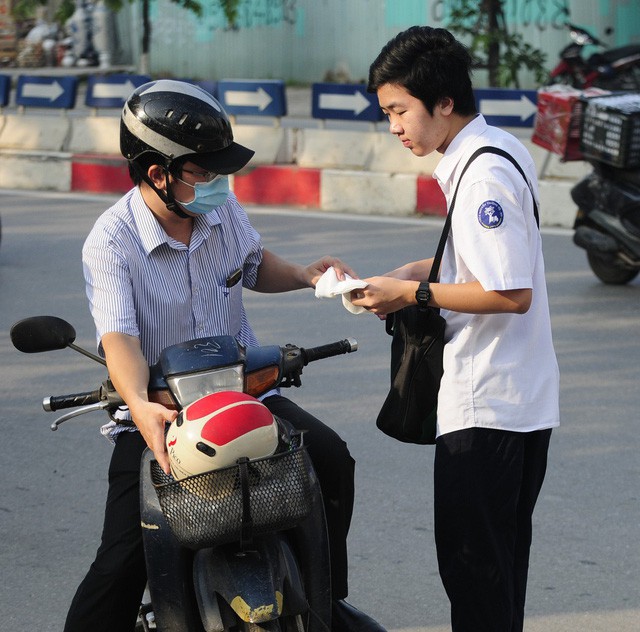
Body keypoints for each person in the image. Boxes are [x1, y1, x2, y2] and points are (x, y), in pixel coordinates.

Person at [64, 79, 384, 632]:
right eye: (204, 170)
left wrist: (306, 275)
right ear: (158, 173)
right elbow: (119, 339)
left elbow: (255, 264)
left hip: (244, 397)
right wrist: (140, 406)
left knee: (331, 461)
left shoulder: (219, 208)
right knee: (122, 560)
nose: (217, 182)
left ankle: (325, 599)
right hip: (162, 416)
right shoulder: (111, 240)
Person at [351, 26, 560, 632]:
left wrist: (412, 292)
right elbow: (482, 264)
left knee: (475, 577)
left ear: (443, 102)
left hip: (488, 404)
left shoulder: (481, 176)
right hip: (519, 400)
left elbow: (510, 290)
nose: (393, 126)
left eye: (399, 110)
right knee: (496, 575)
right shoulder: (497, 148)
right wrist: (404, 276)